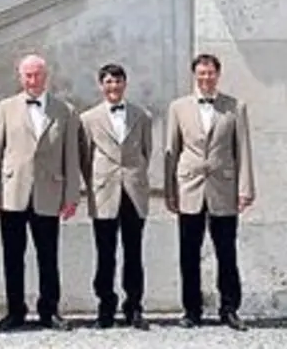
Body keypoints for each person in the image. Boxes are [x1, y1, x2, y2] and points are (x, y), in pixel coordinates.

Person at [0, 54, 79, 331]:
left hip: (49, 192)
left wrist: (71, 195)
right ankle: (15, 310)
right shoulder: (5, 107)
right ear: (20, 77)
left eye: (37, 74)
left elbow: (71, 156)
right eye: (27, 75)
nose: (33, 80)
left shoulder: (65, 110)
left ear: (46, 75)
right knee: (13, 256)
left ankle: (49, 310)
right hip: (13, 192)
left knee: (48, 256)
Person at [164, 53, 254, 331]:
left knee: (226, 252)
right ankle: (191, 310)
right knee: (188, 253)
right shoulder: (178, 107)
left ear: (218, 74)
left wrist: (245, 188)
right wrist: (170, 191)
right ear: (194, 75)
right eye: (201, 73)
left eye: (210, 73)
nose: (206, 78)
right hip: (189, 187)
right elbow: (171, 149)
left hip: (223, 188)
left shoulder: (235, 107)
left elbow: (243, 150)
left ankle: (229, 308)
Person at [79, 63, 153, 329]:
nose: (113, 87)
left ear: (125, 84)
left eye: (118, 81)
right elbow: (85, 159)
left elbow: (147, 151)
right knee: (105, 253)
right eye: (108, 82)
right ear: (101, 85)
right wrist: (97, 182)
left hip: (133, 191)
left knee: (134, 253)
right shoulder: (88, 119)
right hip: (104, 192)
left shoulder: (141, 116)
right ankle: (105, 307)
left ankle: (134, 306)